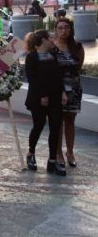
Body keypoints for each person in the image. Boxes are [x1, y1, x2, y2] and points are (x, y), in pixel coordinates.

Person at [25, 30, 68, 176]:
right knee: (38, 125)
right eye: (50, 38)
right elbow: (32, 79)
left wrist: (62, 91)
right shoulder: (31, 57)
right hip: (38, 98)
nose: (53, 40)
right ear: (43, 40)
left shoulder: (53, 54)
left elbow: (58, 76)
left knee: (55, 126)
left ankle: (52, 160)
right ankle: (31, 153)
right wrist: (42, 95)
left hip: (55, 97)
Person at [53, 18, 84, 168]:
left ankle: (70, 152)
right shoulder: (51, 47)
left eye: (66, 28)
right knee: (57, 122)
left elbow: (79, 66)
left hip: (75, 88)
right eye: (60, 28)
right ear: (56, 30)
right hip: (57, 89)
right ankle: (58, 153)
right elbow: (49, 69)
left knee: (70, 121)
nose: (63, 31)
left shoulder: (77, 46)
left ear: (71, 29)